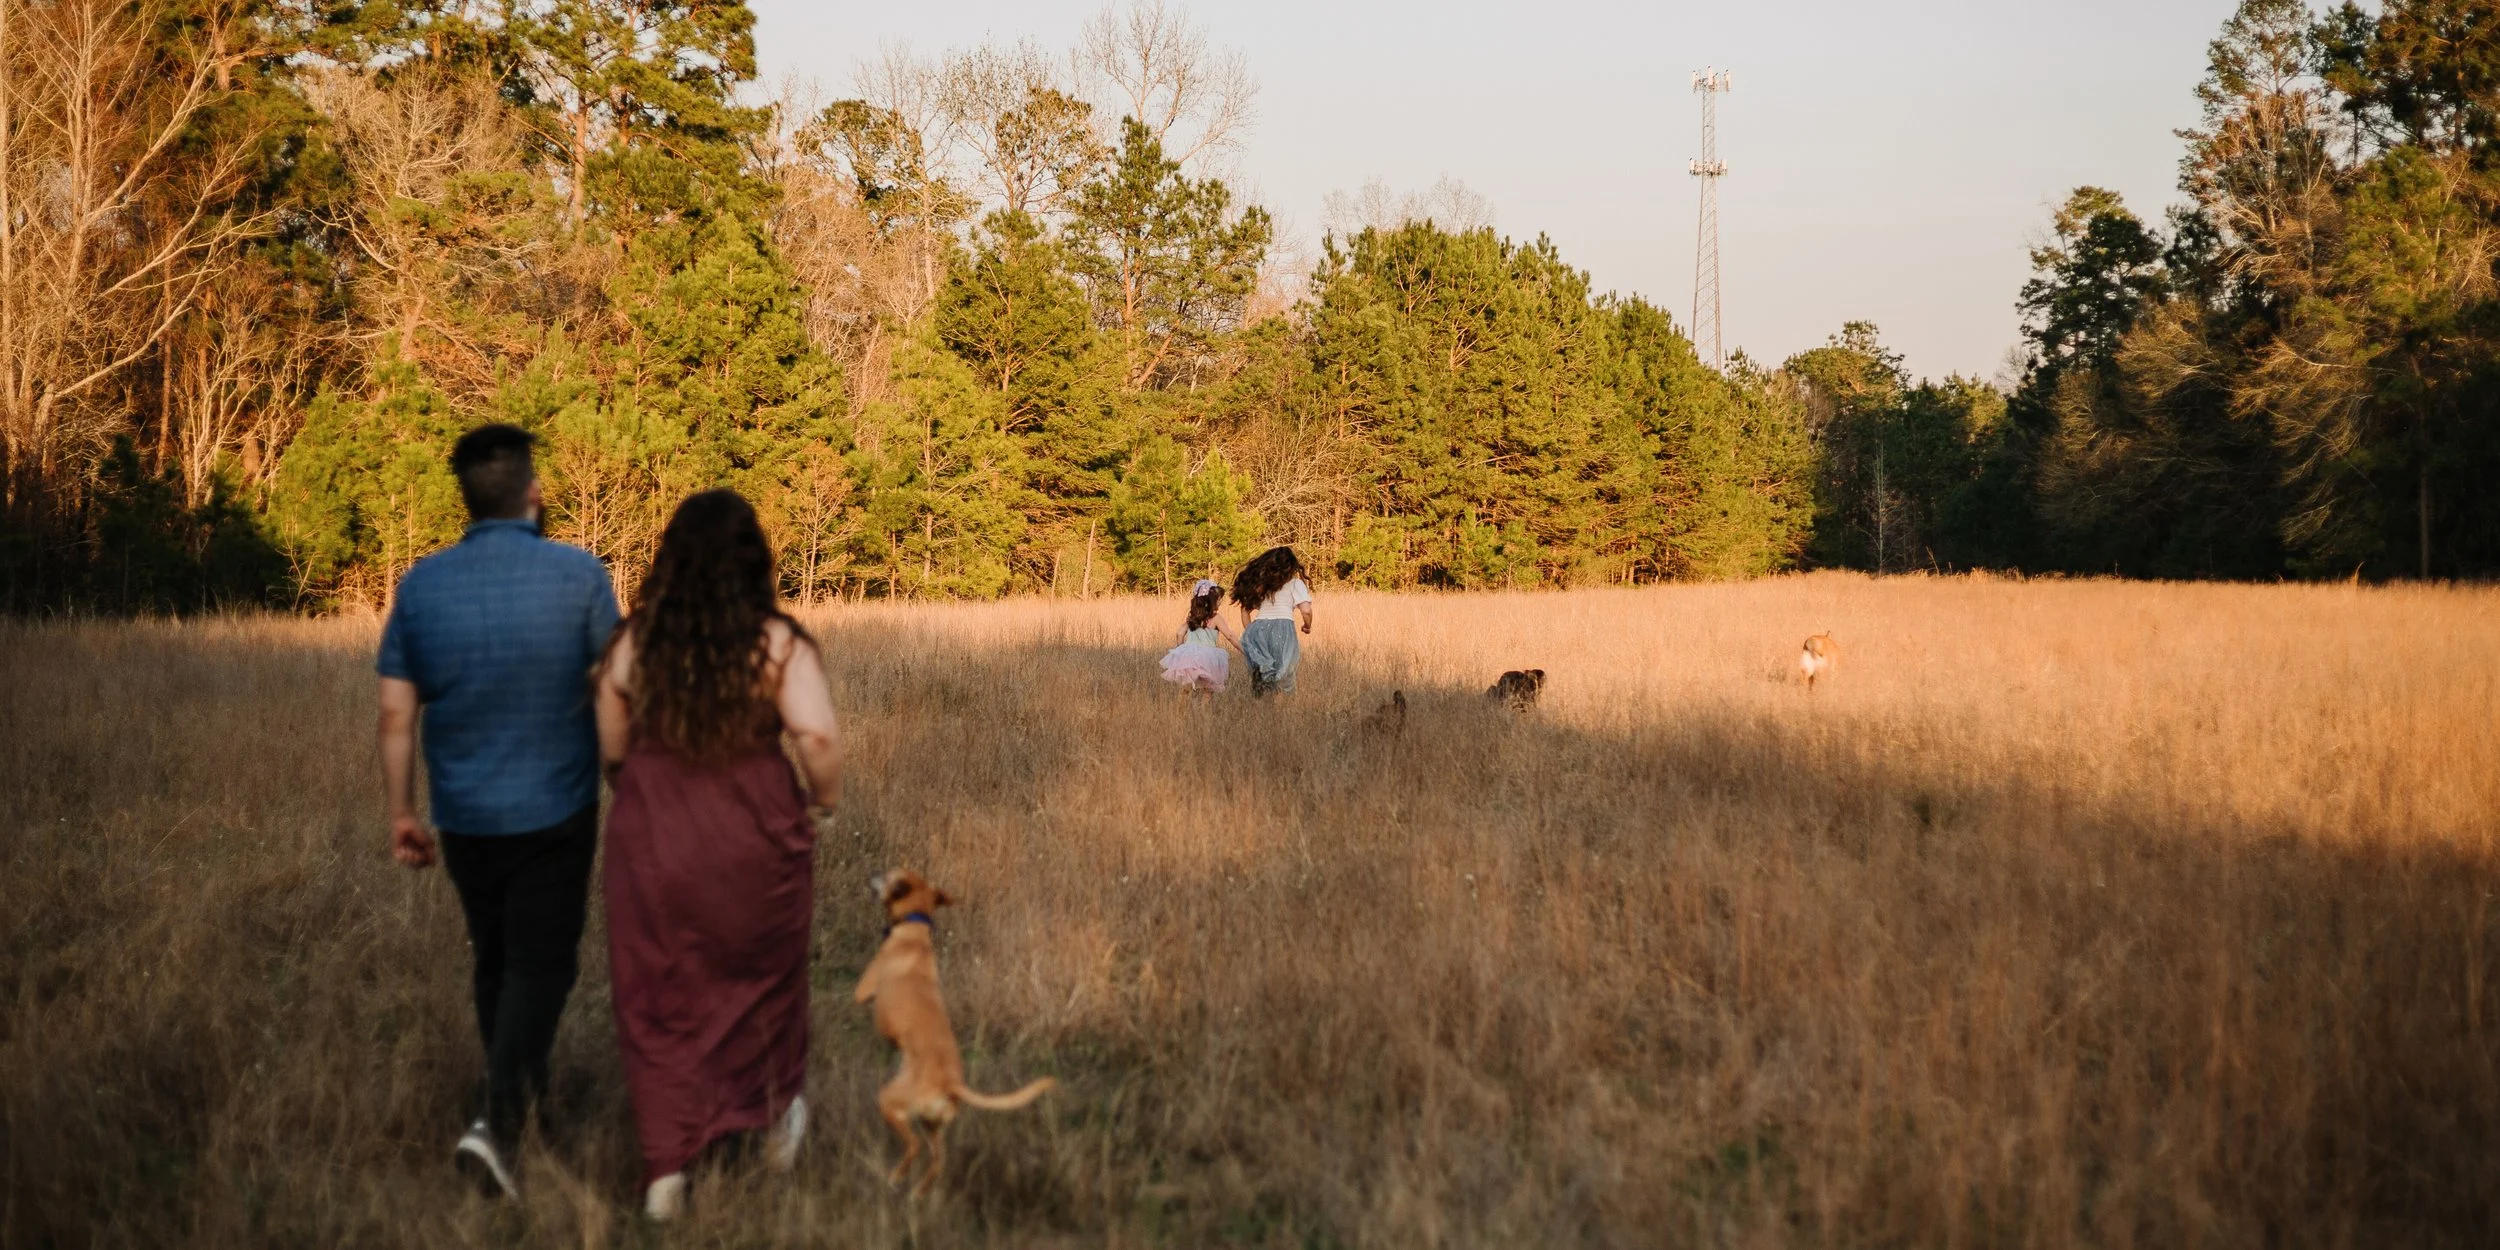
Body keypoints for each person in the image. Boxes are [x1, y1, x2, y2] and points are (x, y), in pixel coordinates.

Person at [377, 424, 620, 1198]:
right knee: (542, 963)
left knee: (496, 958)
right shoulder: (581, 575)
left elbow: (393, 716)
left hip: (465, 814)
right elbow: (614, 687)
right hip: (558, 808)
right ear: (532, 491)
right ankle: (497, 1124)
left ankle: (517, 1102)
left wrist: (401, 813)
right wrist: (627, 773)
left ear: (467, 499)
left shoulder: (419, 586)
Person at [592, 489, 843, 1221]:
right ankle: (766, 1121)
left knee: (659, 994)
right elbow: (819, 739)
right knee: (762, 980)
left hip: (653, 834)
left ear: (671, 560)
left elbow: (609, 733)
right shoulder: (777, 643)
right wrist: (822, 803)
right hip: (754, 834)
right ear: (752, 562)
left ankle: (668, 1168)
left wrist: (634, 786)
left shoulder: (635, 641)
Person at [1230, 546, 1313, 697]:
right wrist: (1307, 626)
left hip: (1258, 628)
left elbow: (1245, 611)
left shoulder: (1263, 585)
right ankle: (1280, 712)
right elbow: (1306, 610)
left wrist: (1250, 632)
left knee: (1262, 674)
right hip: (1282, 628)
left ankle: (1261, 707)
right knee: (1283, 672)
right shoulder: (1295, 584)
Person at [1158, 578, 1241, 694]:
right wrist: (1244, 650)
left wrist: (1181, 649)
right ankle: (1204, 711)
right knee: (1208, 690)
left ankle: (1179, 711)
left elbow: (1180, 633)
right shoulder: (1216, 618)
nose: (1221, 602)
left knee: (1186, 688)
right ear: (1212, 601)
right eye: (1219, 599)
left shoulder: (1193, 617)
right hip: (1208, 656)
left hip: (1189, 654)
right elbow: (1230, 636)